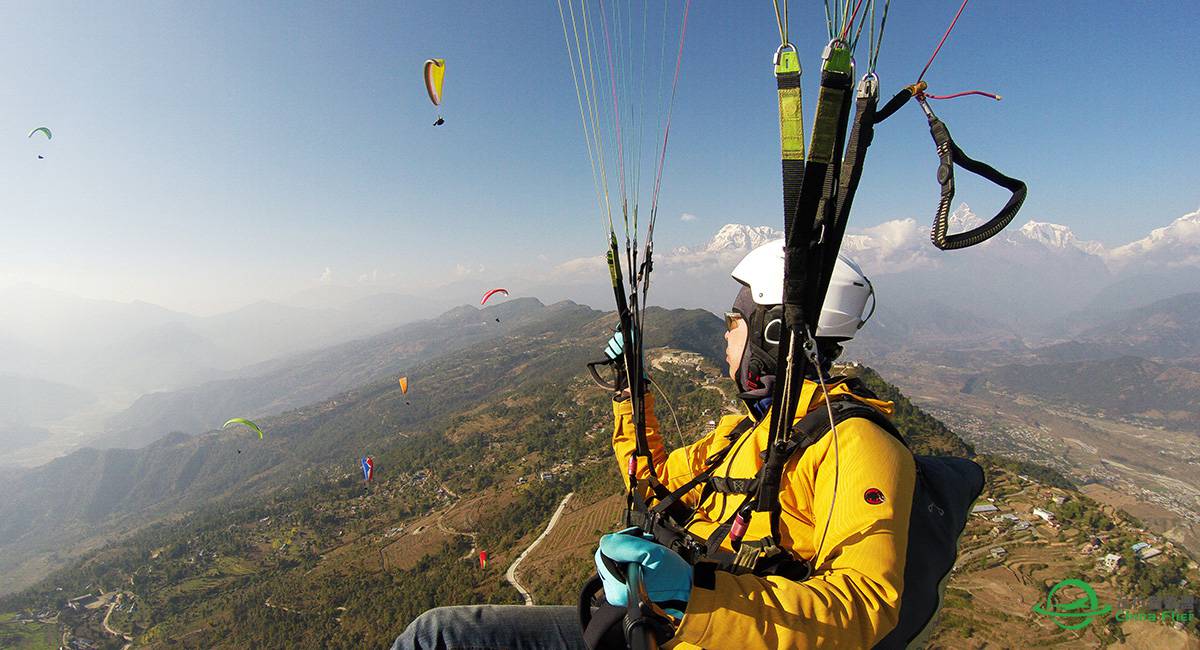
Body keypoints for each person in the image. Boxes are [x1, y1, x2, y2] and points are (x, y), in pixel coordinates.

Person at [392, 240, 914, 649]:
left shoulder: (857, 445)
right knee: (439, 635)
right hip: (655, 627)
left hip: (701, 634)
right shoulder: (749, 436)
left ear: (771, 335)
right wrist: (629, 391)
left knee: (436, 639)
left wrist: (695, 596)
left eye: (734, 324)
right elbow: (652, 482)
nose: (725, 337)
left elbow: (866, 608)